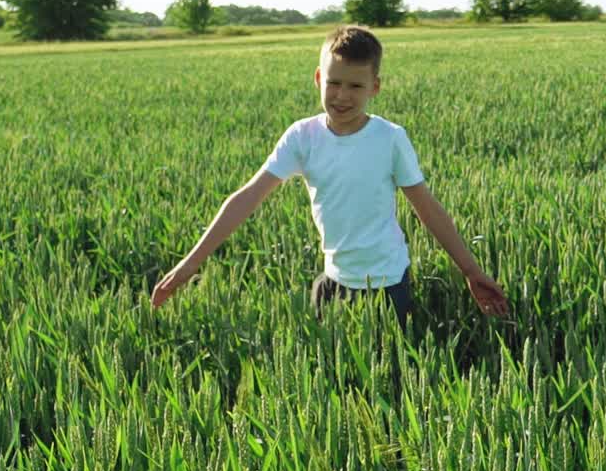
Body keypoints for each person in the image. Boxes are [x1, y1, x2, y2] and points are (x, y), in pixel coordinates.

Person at [150, 25, 510, 327]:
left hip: (389, 285)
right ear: (319, 78)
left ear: (375, 87)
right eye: (334, 83)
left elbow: (427, 209)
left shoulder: (390, 139)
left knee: (391, 375)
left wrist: (470, 271)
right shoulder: (302, 137)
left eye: (355, 86)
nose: (342, 96)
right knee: (332, 377)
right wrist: (190, 262)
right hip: (333, 282)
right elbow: (248, 197)